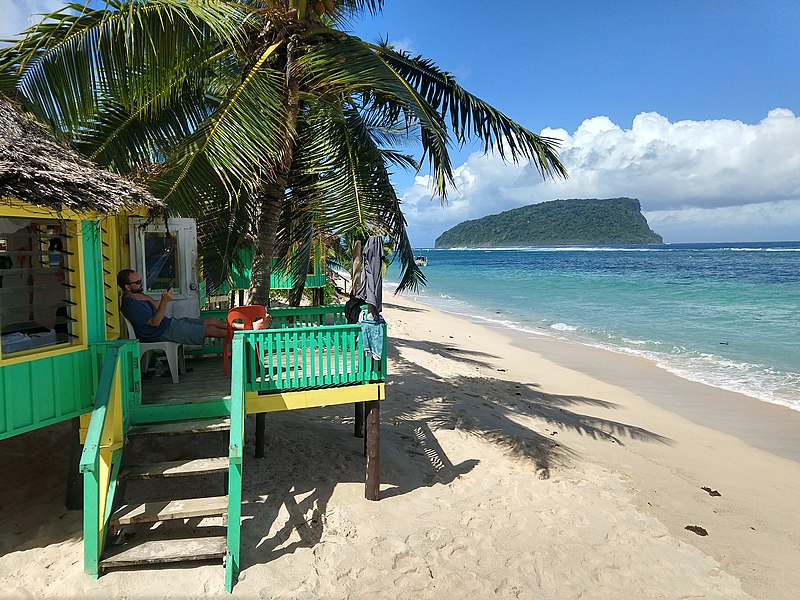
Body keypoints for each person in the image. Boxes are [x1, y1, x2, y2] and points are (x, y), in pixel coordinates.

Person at [117, 269, 266, 344]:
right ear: (127, 287)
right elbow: (155, 323)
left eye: (141, 281)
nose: (141, 284)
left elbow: (156, 308)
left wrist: (148, 298)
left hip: (168, 324)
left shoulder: (138, 297)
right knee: (211, 330)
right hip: (161, 332)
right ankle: (250, 334)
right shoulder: (130, 305)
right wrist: (164, 301)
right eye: (137, 283)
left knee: (212, 320)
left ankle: (249, 326)